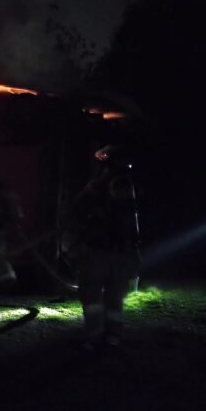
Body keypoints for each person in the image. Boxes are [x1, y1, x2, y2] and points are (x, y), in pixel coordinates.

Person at [66, 145, 141, 348]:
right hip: (120, 253)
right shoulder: (129, 187)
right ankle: (112, 336)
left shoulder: (98, 187)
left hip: (97, 252)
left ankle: (94, 335)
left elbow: (76, 210)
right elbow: (132, 224)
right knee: (114, 298)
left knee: (91, 296)